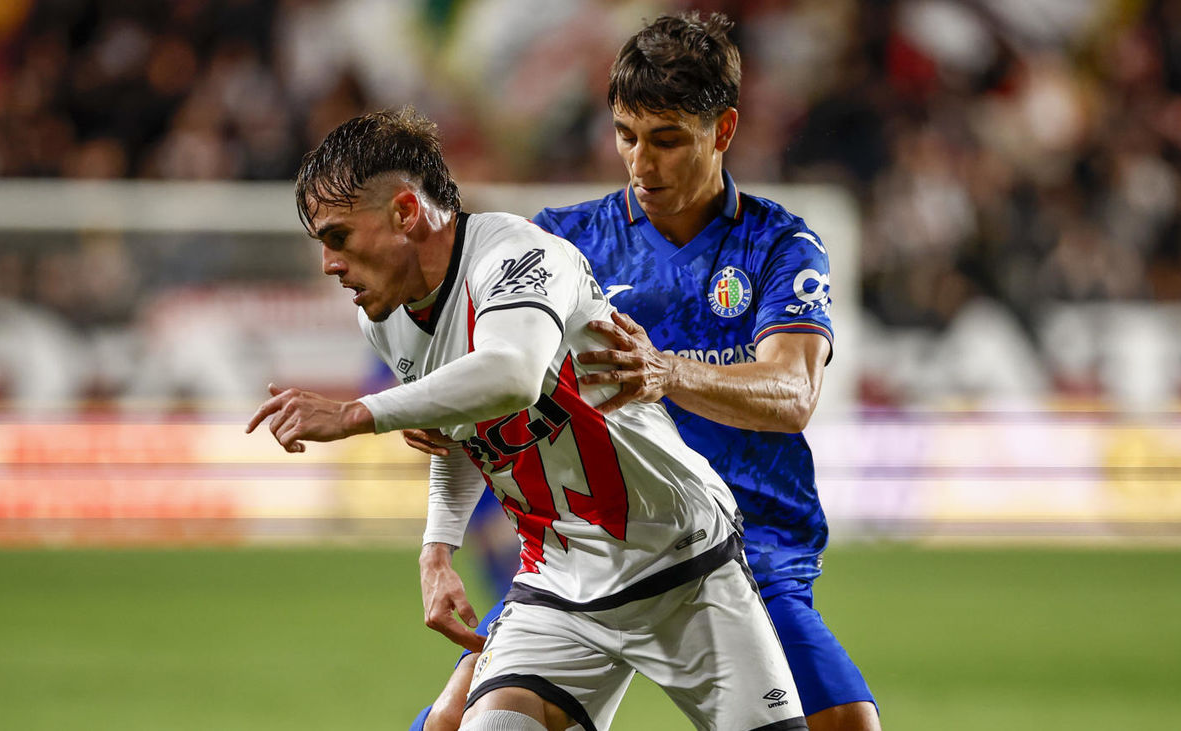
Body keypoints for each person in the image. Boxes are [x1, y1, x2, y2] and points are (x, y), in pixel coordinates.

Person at [246, 107, 808, 731]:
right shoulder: (386, 319)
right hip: (559, 583)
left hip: (681, 562)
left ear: (405, 212)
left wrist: (355, 414)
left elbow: (511, 373)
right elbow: (460, 430)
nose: (329, 264)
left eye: (338, 237)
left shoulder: (520, 257)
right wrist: (438, 549)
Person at [407, 12, 880, 731]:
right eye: (627, 136)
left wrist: (667, 372)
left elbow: (793, 393)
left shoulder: (778, 246)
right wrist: (444, 410)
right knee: (451, 722)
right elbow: (490, 373)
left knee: (846, 725)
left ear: (723, 130)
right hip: (595, 549)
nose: (641, 163)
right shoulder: (561, 243)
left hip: (748, 551)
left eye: (666, 139)